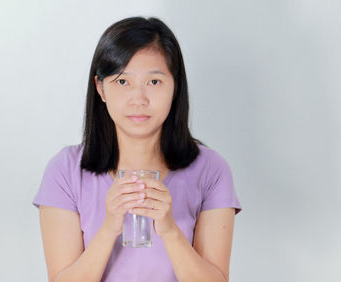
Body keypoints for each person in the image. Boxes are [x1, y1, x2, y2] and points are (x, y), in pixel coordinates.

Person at [32, 16, 242, 282]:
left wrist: (169, 230)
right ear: (100, 88)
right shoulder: (65, 170)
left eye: (154, 82)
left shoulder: (211, 169)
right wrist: (109, 229)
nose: (139, 99)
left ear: (175, 87)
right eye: (122, 82)